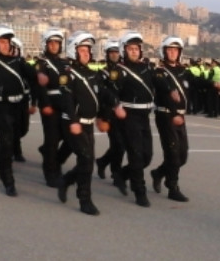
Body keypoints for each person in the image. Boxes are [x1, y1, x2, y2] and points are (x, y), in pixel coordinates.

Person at [57, 31, 122, 215]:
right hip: (73, 124)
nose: (86, 53)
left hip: (88, 124)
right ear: (73, 51)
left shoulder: (93, 74)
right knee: (86, 160)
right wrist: (73, 120)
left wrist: (115, 105)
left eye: (88, 50)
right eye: (82, 50)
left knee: (87, 161)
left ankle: (67, 180)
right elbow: (66, 99)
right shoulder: (67, 74)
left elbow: (103, 94)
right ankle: (84, 200)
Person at [0, 25, 37, 197]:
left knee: (10, 141)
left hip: (18, 107)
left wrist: (40, 77)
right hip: (1, 108)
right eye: (2, 42)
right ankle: (8, 180)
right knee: (7, 143)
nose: (6, 45)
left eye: (8, 42)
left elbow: (32, 75)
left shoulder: (18, 61)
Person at [107, 31, 156, 207]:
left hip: (144, 116)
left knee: (147, 156)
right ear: (124, 50)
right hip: (129, 116)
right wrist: (116, 105)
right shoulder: (119, 71)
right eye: (131, 49)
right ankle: (139, 191)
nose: (134, 52)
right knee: (136, 155)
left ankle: (121, 174)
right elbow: (110, 90)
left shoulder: (147, 68)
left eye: (137, 49)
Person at [150, 36, 190, 202]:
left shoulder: (183, 71)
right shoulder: (159, 72)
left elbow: (197, 81)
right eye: (169, 50)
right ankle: (172, 186)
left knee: (182, 156)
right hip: (166, 116)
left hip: (180, 116)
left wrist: (214, 83)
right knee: (173, 154)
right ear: (164, 52)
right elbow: (162, 85)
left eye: (176, 50)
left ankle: (158, 172)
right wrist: (170, 92)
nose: (173, 53)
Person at [36, 28, 72, 188]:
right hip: (51, 106)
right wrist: (45, 105)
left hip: (65, 105)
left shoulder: (65, 63)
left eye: (57, 43)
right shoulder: (41, 63)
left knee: (70, 139)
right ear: (46, 44)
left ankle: (55, 161)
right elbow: (40, 86)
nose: (54, 45)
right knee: (52, 142)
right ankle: (50, 173)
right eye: (51, 42)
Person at [95, 39, 125, 180]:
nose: (114, 55)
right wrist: (101, 116)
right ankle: (116, 172)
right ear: (107, 54)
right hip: (110, 113)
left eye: (116, 52)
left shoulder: (124, 70)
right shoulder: (102, 73)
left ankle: (103, 162)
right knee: (118, 144)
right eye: (111, 52)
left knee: (121, 144)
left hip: (124, 112)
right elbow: (101, 95)